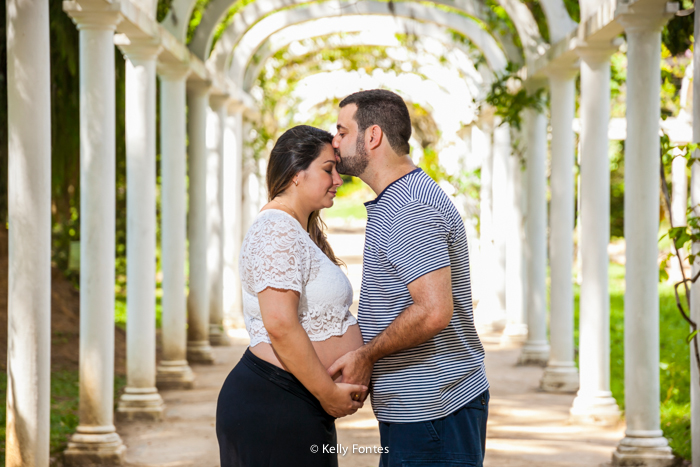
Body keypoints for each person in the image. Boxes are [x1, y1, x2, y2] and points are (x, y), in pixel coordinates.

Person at [328, 89, 490, 466]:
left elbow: (434, 311)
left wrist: (366, 356)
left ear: (372, 136)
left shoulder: (409, 207)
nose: (334, 142)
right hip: (420, 410)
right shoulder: (399, 198)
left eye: (341, 130)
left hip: (435, 411)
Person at [216, 125, 368, 467]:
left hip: (295, 401)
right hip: (275, 403)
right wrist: (329, 394)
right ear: (296, 174)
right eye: (328, 169)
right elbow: (280, 324)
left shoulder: (295, 229)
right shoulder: (276, 229)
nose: (338, 180)